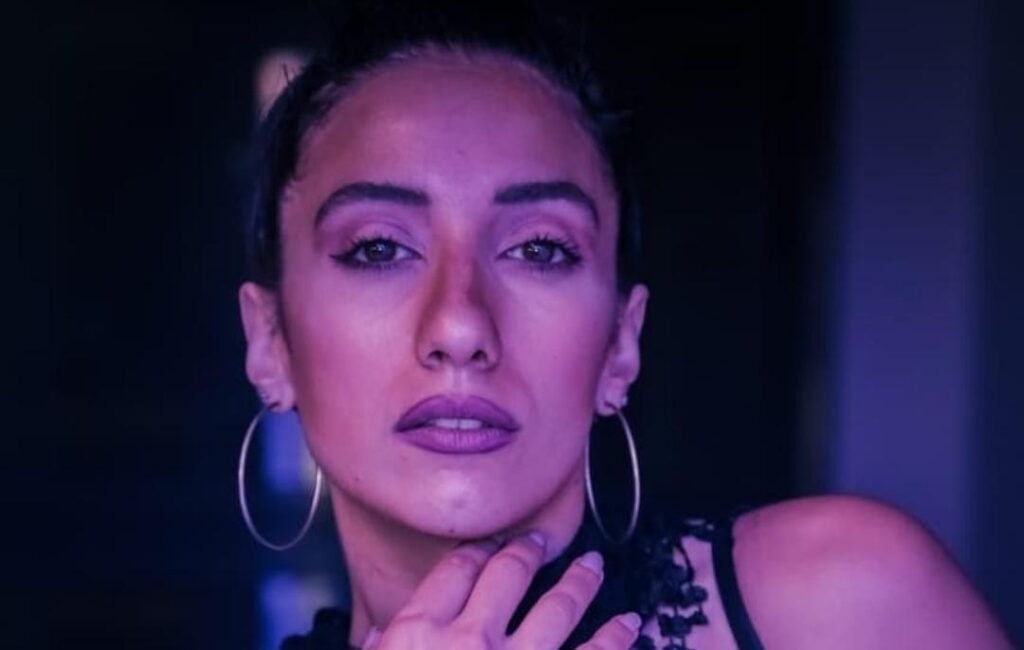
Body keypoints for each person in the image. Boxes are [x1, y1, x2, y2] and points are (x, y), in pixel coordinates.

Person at [236, 3, 1012, 648]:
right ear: (271, 343)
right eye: (378, 248)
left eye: (539, 249)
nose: (461, 325)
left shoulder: (843, 601)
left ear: (621, 344)